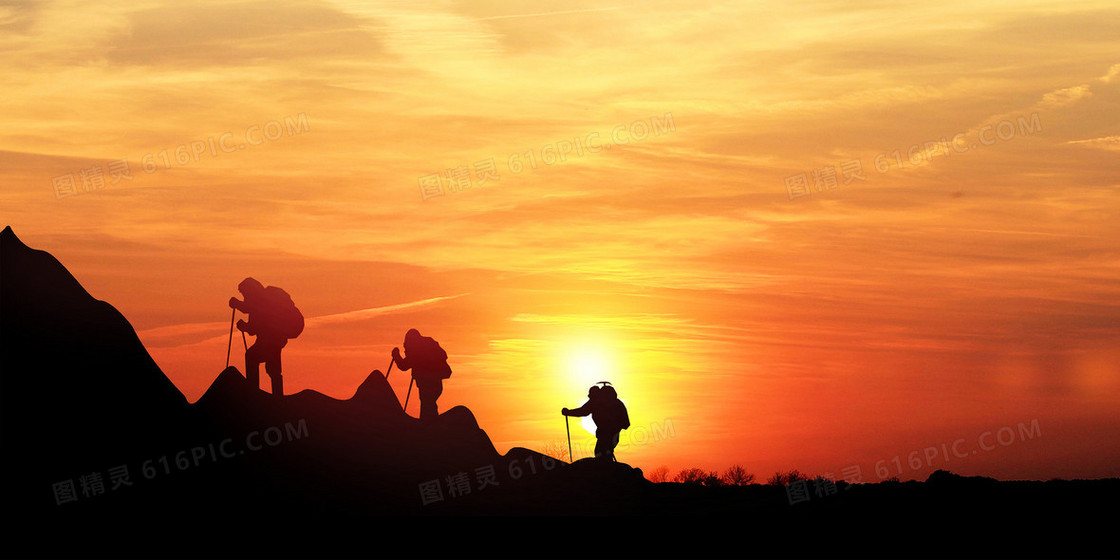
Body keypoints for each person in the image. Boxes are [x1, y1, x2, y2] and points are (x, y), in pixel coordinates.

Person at [229, 278, 303, 396]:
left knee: (252, 357)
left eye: (244, 293)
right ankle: (277, 396)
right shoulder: (263, 301)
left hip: (270, 340)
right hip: (275, 339)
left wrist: (242, 322)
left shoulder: (259, 303)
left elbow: (252, 326)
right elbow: (253, 324)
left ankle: (255, 392)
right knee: (273, 368)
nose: (244, 297)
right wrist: (245, 324)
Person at [391, 329, 452, 421]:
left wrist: (396, 355)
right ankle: (431, 426)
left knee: (427, 406)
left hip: (427, 385)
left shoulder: (417, 350)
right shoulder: (426, 345)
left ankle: (428, 427)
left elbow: (403, 366)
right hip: (436, 384)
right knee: (429, 406)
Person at [562, 382, 630, 461]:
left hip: (606, 434)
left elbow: (583, 411)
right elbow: (625, 423)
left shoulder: (595, 401)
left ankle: (606, 471)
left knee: (600, 453)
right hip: (614, 434)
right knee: (605, 453)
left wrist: (568, 412)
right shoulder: (617, 402)